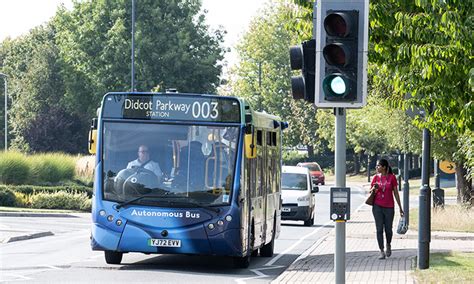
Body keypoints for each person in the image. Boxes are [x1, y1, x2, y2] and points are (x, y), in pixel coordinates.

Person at [370, 158, 404, 259]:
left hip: (389, 207)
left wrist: (400, 208)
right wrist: (374, 189)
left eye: (378, 166)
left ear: (384, 167)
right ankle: (381, 250)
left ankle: (388, 244)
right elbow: (371, 191)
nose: (377, 167)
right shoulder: (375, 178)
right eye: (376, 166)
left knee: (388, 229)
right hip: (377, 206)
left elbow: (396, 193)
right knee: (379, 229)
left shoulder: (392, 178)